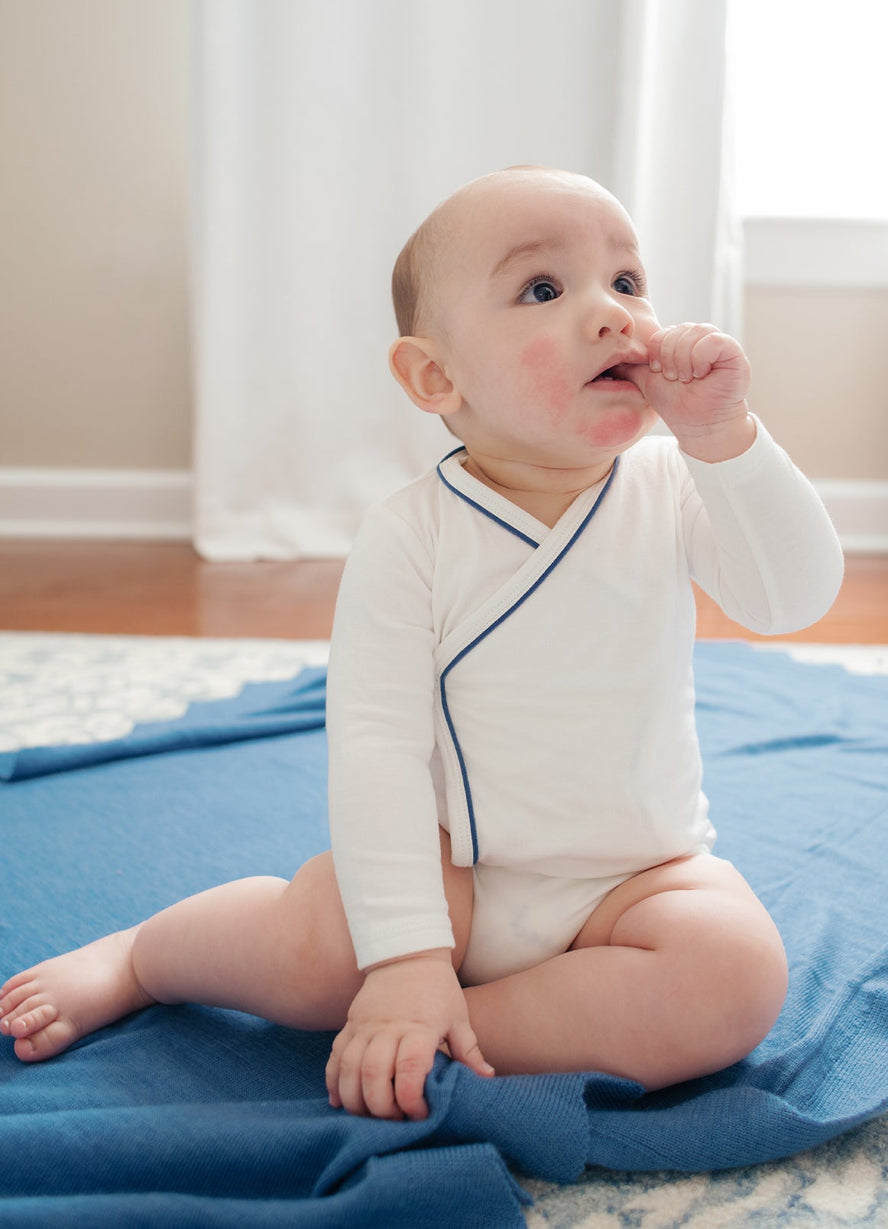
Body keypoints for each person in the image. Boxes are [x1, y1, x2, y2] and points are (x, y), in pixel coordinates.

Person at [1, 167, 844, 1122]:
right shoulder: (414, 536)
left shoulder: (673, 485)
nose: (613, 314)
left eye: (628, 281)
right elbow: (377, 751)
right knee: (316, 948)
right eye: (543, 289)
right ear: (436, 376)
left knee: (733, 973)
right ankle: (148, 954)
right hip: (453, 870)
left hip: (636, 875)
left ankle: (457, 1027)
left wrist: (726, 436)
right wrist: (405, 957)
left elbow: (792, 595)